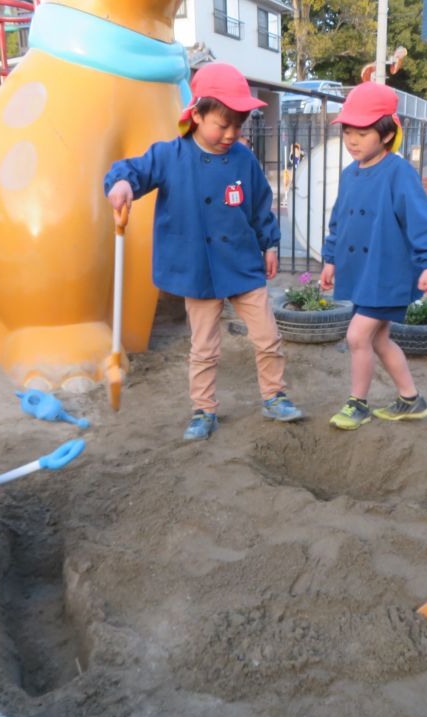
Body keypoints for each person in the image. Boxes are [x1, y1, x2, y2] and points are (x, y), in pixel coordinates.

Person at [105, 62, 303, 441]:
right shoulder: (170, 155)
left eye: (238, 126)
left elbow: (261, 204)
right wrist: (121, 185)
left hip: (243, 264)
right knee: (204, 346)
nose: (230, 134)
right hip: (199, 270)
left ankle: (275, 395)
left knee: (267, 336)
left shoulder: (244, 159)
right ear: (195, 114)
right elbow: (133, 170)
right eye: (221, 124)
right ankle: (204, 410)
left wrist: (270, 243)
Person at [318, 82, 427, 430]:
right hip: (362, 272)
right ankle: (411, 399)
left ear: (387, 133)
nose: (352, 140)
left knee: (357, 336)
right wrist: (330, 259)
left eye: (362, 132)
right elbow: (339, 220)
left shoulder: (398, 172)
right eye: (348, 131)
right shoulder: (349, 175)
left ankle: (357, 404)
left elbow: (421, 220)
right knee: (378, 338)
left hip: (386, 273)